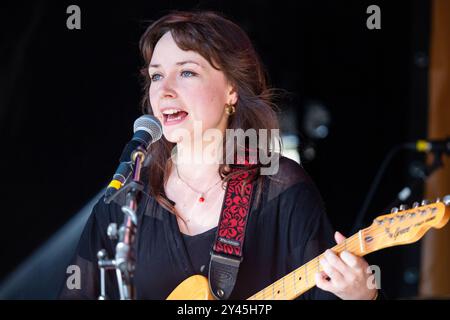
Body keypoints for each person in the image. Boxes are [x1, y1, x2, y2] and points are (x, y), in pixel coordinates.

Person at [59, 10, 379, 300]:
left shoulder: (280, 187)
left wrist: (360, 296)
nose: (164, 89)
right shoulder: (129, 196)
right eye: (156, 75)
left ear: (231, 89)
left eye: (186, 72)